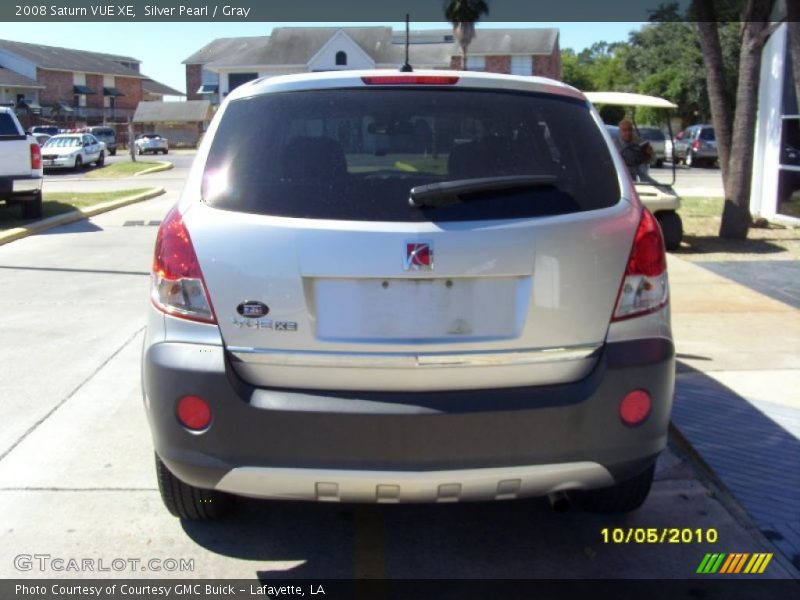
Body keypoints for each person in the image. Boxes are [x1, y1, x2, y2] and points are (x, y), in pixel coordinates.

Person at [614, 119, 654, 183]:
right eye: (625, 130)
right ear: (620, 131)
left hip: (640, 174)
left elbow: (653, 161)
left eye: (630, 130)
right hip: (622, 176)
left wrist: (649, 153)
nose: (628, 133)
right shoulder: (614, 145)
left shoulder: (639, 141)